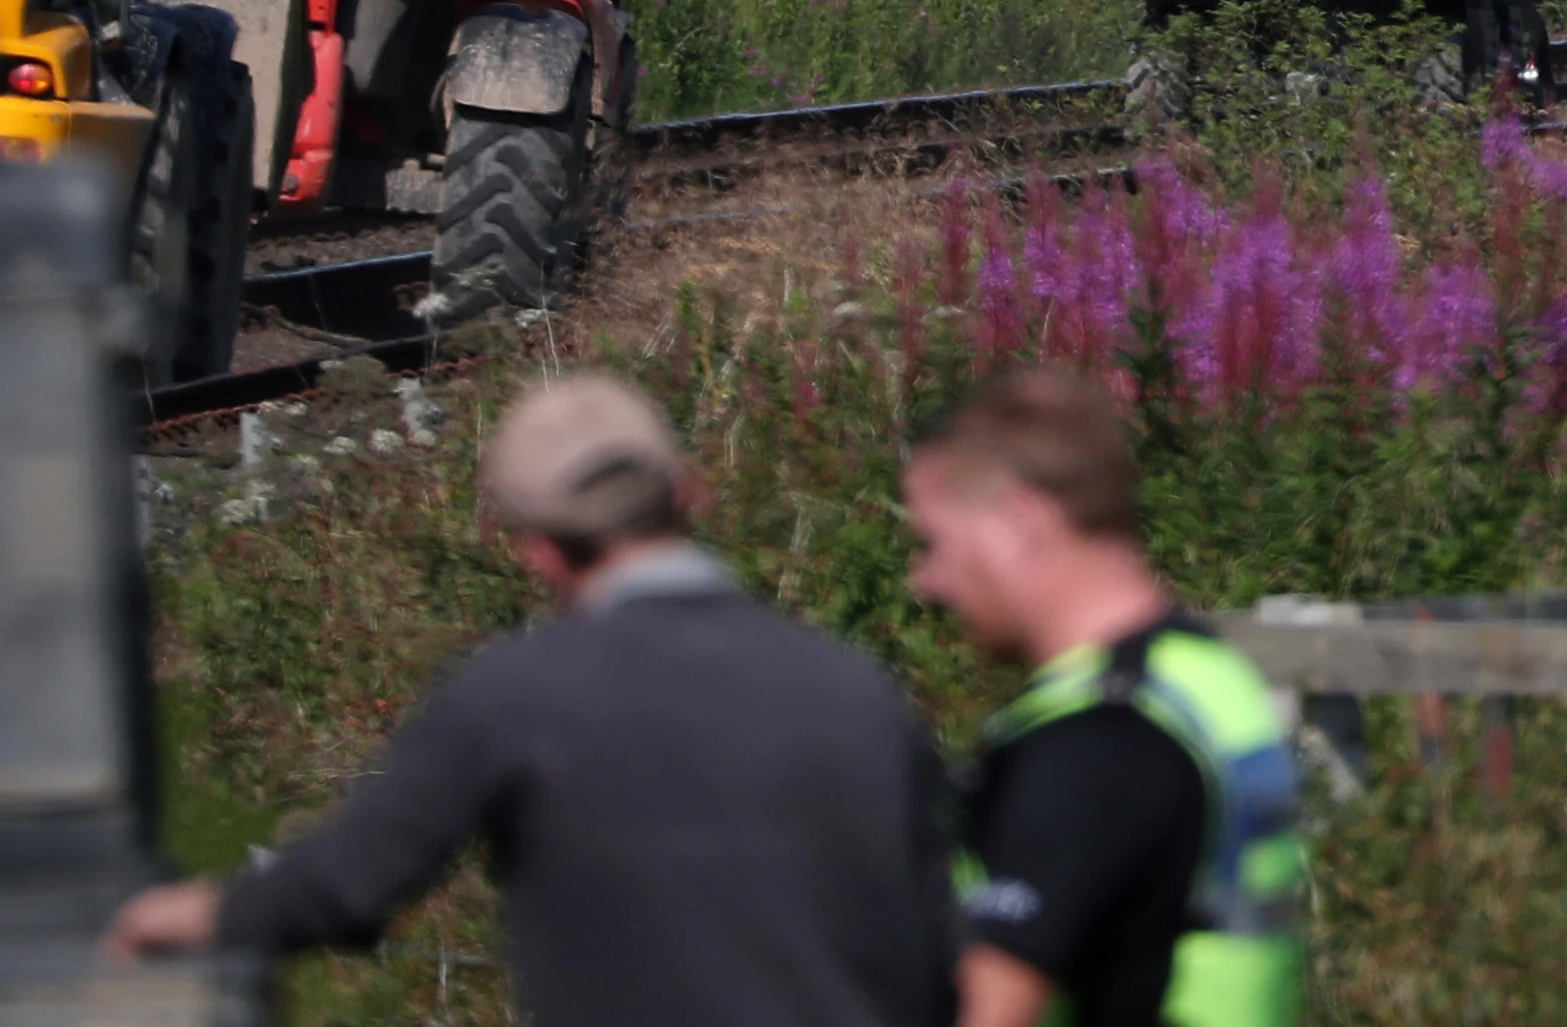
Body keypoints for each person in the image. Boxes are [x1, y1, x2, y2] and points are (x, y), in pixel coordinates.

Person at [105, 373, 958, 1027]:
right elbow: (940, 935)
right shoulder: (853, 687)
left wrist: (195, 912)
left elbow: (348, 881)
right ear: (690, 494)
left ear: (534, 549)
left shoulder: (514, 695)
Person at [906, 366, 1311, 1027]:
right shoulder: (1205, 675)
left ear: (1019, 521)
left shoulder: (1097, 741)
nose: (927, 580)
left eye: (936, 542)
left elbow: (993, 1009)